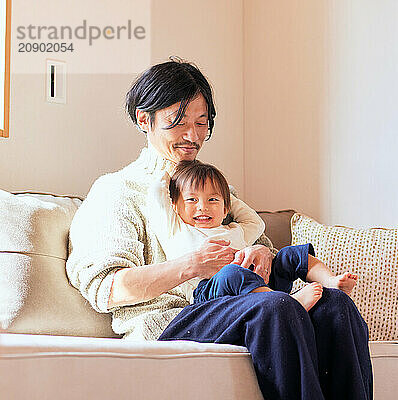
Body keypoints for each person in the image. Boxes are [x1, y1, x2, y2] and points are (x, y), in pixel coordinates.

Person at [66, 58, 373, 400]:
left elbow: (262, 248)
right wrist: (190, 266)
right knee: (275, 308)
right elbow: (105, 288)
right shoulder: (117, 190)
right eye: (177, 122)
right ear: (144, 119)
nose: (192, 136)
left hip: (235, 304)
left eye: (202, 123)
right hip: (168, 321)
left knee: (335, 306)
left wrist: (262, 253)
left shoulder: (213, 189)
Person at [147, 159, 358, 311]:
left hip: (257, 284)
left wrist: (227, 198)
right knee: (232, 273)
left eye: (213, 200)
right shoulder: (177, 229)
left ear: (226, 207)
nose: (202, 207)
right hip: (209, 293)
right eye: (192, 200)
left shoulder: (237, 230)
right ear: (176, 205)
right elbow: (157, 191)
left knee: (290, 255)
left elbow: (257, 222)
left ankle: (330, 280)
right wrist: (172, 169)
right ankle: (288, 305)